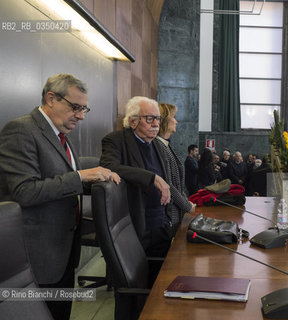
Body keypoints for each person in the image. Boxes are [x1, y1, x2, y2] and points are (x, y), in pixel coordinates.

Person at [0, 73, 120, 320]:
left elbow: (63, 183)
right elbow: (25, 191)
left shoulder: (61, 135)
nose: (82, 115)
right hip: (35, 257)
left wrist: (97, 180)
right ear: (51, 98)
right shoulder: (21, 130)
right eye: (75, 107)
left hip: (64, 249)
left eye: (84, 108)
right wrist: (80, 177)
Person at [100, 96, 174, 260]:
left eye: (157, 119)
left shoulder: (158, 145)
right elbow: (109, 167)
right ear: (133, 121)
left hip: (161, 223)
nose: (155, 124)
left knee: (160, 272)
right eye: (150, 119)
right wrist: (151, 178)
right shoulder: (115, 140)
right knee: (139, 279)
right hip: (135, 223)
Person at [156, 102, 195, 230]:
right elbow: (169, 184)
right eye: (173, 117)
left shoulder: (165, 144)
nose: (176, 121)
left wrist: (186, 202)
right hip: (167, 215)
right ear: (164, 121)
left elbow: (177, 184)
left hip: (175, 212)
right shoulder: (158, 146)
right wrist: (187, 206)